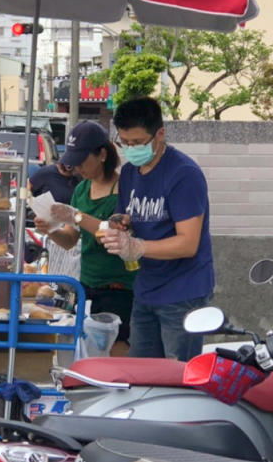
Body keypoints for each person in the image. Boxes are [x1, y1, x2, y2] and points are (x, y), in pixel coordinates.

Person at [102, 96, 214, 362]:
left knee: (179, 377)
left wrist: (138, 247)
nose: (130, 149)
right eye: (124, 143)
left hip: (184, 293)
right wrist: (120, 224)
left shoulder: (184, 174)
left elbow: (188, 243)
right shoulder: (129, 172)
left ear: (160, 134)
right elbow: (126, 213)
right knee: (142, 373)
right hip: (146, 289)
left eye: (138, 143)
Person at [34, 121, 133, 353]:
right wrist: (50, 230)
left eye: (81, 160)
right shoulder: (81, 190)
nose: (77, 167)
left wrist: (76, 216)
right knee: (86, 346)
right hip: (86, 283)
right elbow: (70, 240)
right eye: (73, 161)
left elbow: (110, 236)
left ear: (102, 154)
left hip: (118, 286)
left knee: (115, 345)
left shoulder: (124, 189)